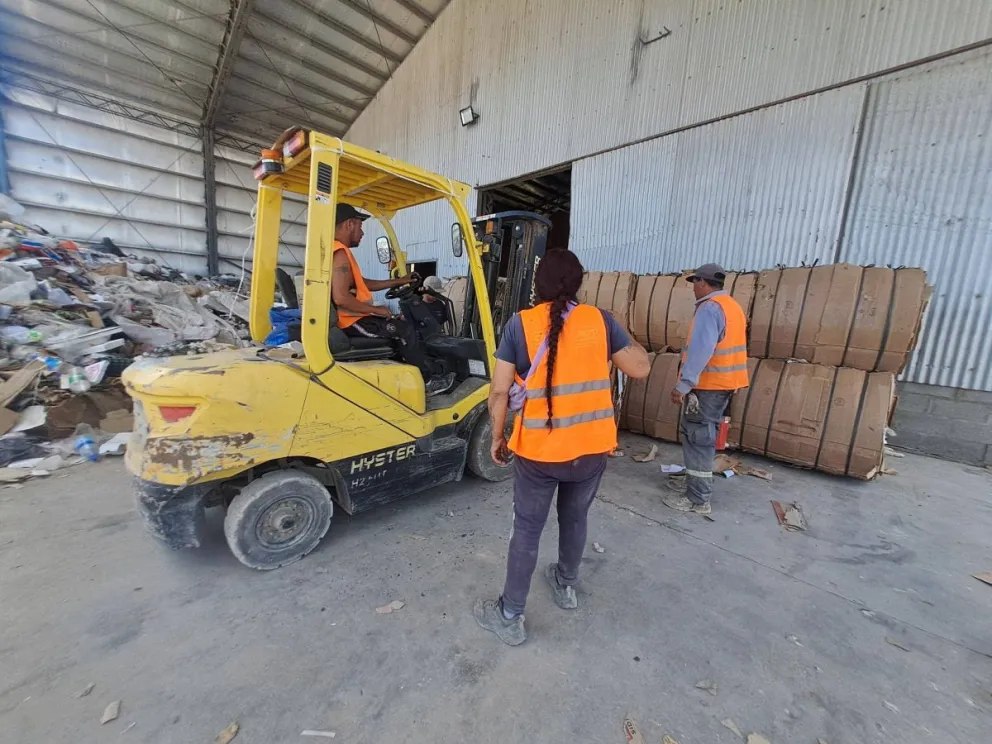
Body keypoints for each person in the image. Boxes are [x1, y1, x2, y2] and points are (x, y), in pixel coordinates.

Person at [474, 249, 651, 646]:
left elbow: (500, 391)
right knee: (575, 518)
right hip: (590, 451)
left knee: (527, 529)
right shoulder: (600, 321)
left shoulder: (520, 325)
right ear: (579, 283)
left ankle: (510, 614)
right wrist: (616, 331)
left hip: (538, 454)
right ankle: (565, 584)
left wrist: (499, 438)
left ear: (537, 285)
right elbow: (640, 367)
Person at [331, 204, 451, 395]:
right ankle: (427, 383)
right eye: (360, 226)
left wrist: (399, 281)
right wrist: (377, 310)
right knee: (405, 332)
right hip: (351, 322)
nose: (362, 233)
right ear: (349, 224)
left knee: (397, 325)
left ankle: (404, 379)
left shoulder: (338, 252)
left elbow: (363, 284)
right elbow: (341, 298)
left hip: (353, 320)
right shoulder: (340, 253)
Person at [663, 263, 749, 516]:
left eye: (694, 283)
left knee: (698, 440)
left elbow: (701, 351)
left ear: (702, 282)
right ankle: (697, 488)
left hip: (707, 386)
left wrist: (683, 385)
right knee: (704, 438)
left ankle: (697, 499)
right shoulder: (732, 306)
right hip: (726, 384)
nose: (693, 289)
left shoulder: (709, 309)